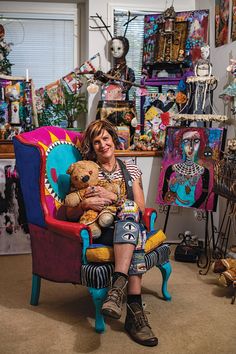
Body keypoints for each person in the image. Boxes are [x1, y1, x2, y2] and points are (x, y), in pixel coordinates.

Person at [65, 120, 158, 347]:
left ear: (113, 140)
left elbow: (140, 207)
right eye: (96, 142)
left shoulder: (131, 169)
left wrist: (114, 199)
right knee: (134, 233)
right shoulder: (86, 170)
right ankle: (134, 310)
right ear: (92, 146)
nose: (102, 145)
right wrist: (86, 204)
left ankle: (117, 289)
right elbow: (69, 212)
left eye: (105, 139)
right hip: (102, 229)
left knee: (129, 216)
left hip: (127, 226)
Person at [161, 128, 210, 209]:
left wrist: (194, 206)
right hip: (175, 203)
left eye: (196, 141)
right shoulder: (172, 169)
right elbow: (165, 194)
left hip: (193, 204)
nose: (191, 146)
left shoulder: (204, 171)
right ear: (181, 145)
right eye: (187, 141)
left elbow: (204, 195)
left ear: (201, 144)